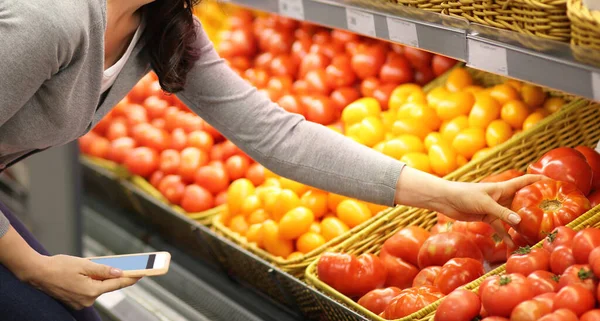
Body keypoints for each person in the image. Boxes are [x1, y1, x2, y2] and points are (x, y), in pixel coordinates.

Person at [0, 0, 542, 320]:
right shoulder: (51, 20)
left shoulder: (163, 24)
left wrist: (445, 195)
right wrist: (31, 266)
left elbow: (276, 134)